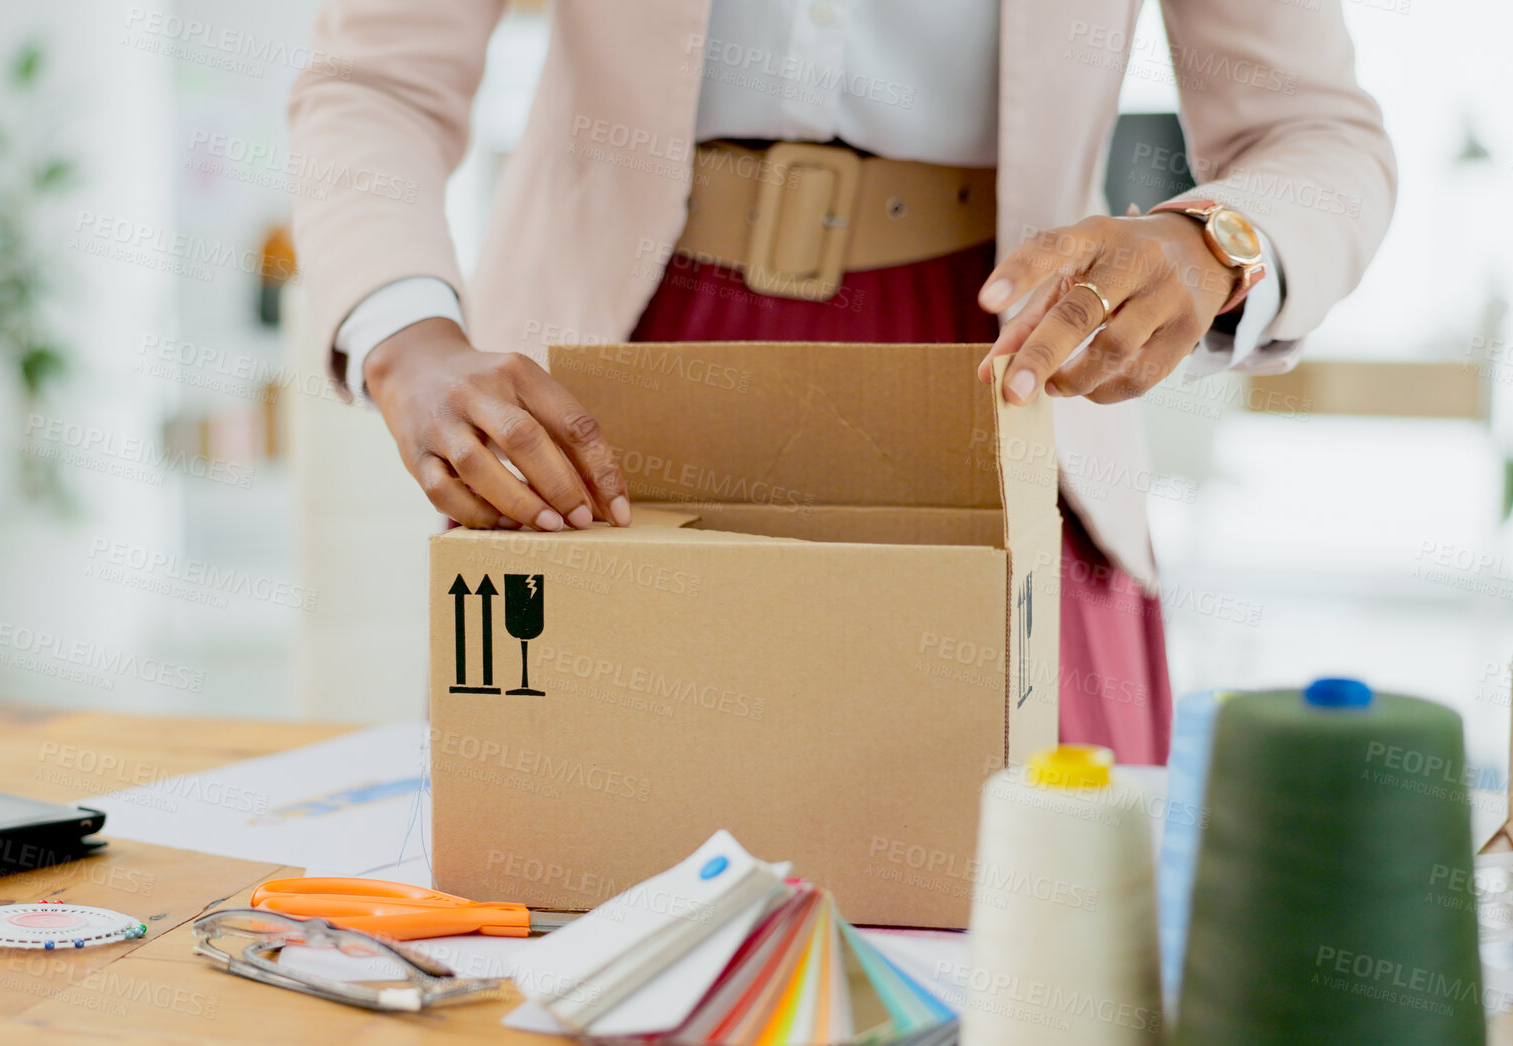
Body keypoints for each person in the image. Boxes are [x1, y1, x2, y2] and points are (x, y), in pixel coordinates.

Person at [288, 0, 1395, 765]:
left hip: (999, 377)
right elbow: (374, 76)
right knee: (591, 905)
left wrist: (1216, 245)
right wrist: (404, 331)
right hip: (619, 387)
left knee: (1045, 936)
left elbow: (1313, 131)